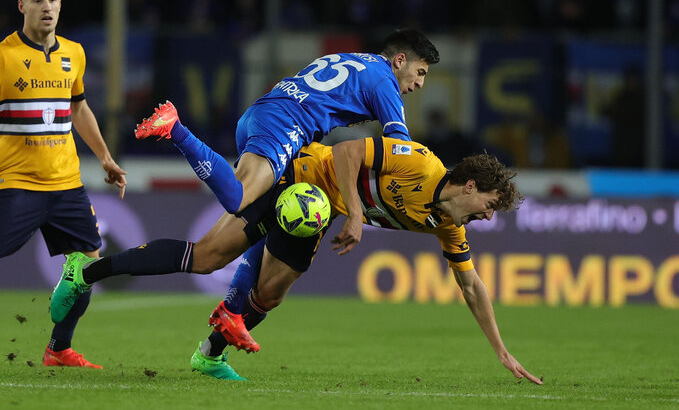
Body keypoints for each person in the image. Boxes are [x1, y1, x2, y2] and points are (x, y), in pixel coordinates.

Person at [51, 134, 541, 385]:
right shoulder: (419, 163)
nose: (489, 217)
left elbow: (472, 285)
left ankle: (209, 352)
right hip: (298, 177)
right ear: (472, 187)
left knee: (268, 294)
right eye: (490, 206)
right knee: (205, 259)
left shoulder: (448, 225)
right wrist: (352, 212)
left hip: (313, 211)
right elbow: (348, 152)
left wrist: (501, 350)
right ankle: (86, 271)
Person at [133, 29, 439, 351]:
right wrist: (430, 185)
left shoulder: (358, 62)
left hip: (269, 115)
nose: (419, 83)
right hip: (285, 126)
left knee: (267, 215)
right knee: (238, 197)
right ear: (400, 60)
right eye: (420, 72)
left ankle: (229, 317)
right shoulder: (384, 81)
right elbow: (401, 150)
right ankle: (176, 129)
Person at [0, 0, 127, 369]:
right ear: (22, 7)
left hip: (67, 185)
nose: (47, 7)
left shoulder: (74, 52)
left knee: (88, 266)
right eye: (37, 0)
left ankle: (59, 349)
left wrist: (105, 157)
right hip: (18, 184)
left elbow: (78, 108)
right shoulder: (4, 56)